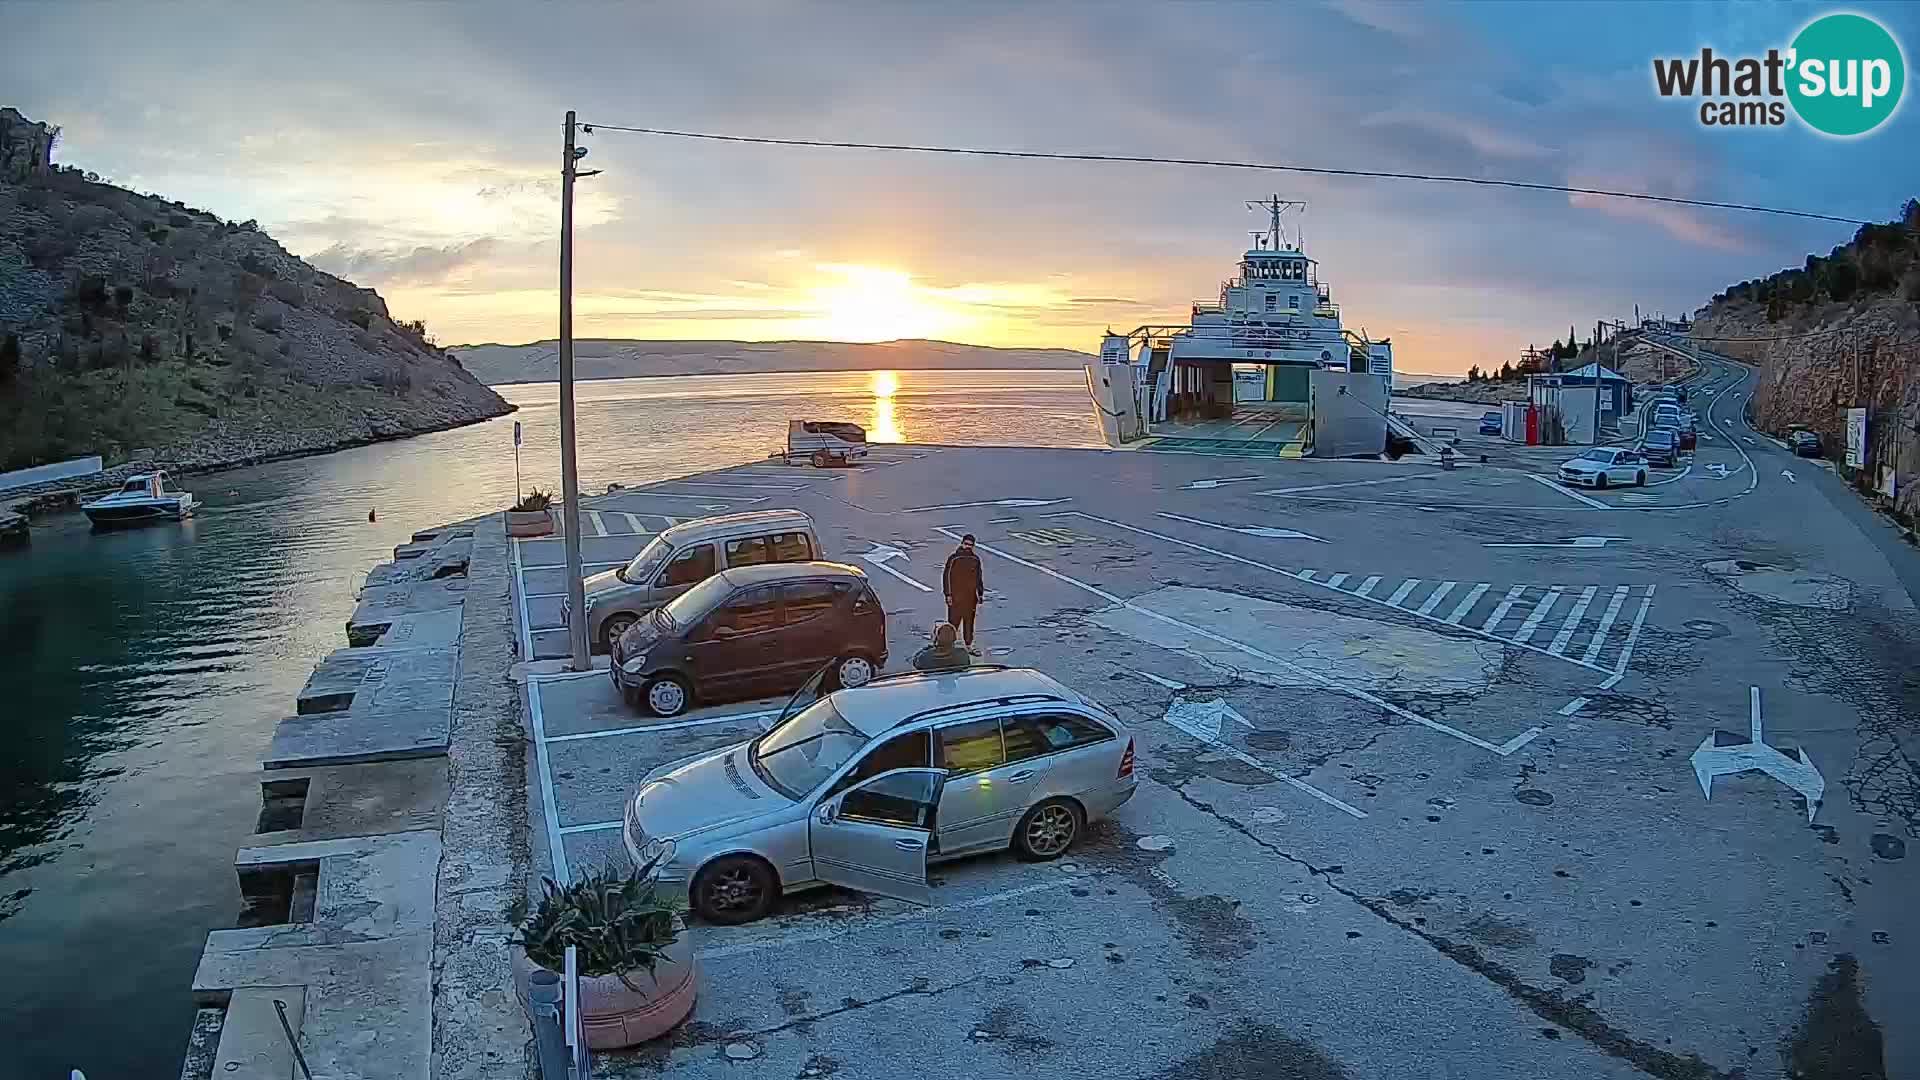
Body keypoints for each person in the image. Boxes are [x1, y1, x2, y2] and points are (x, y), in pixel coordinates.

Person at [942, 534, 985, 652]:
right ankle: (949, 646)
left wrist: (980, 593)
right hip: (956, 597)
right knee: (953, 622)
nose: (968, 547)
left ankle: (969, 645)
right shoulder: (954, 558)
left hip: (970, 597)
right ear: (962, 543)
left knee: (969, 622)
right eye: (966, 544)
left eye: (970, 545)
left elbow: (978, 577)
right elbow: (947, 577)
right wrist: (948, 594)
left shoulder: (975, 559)